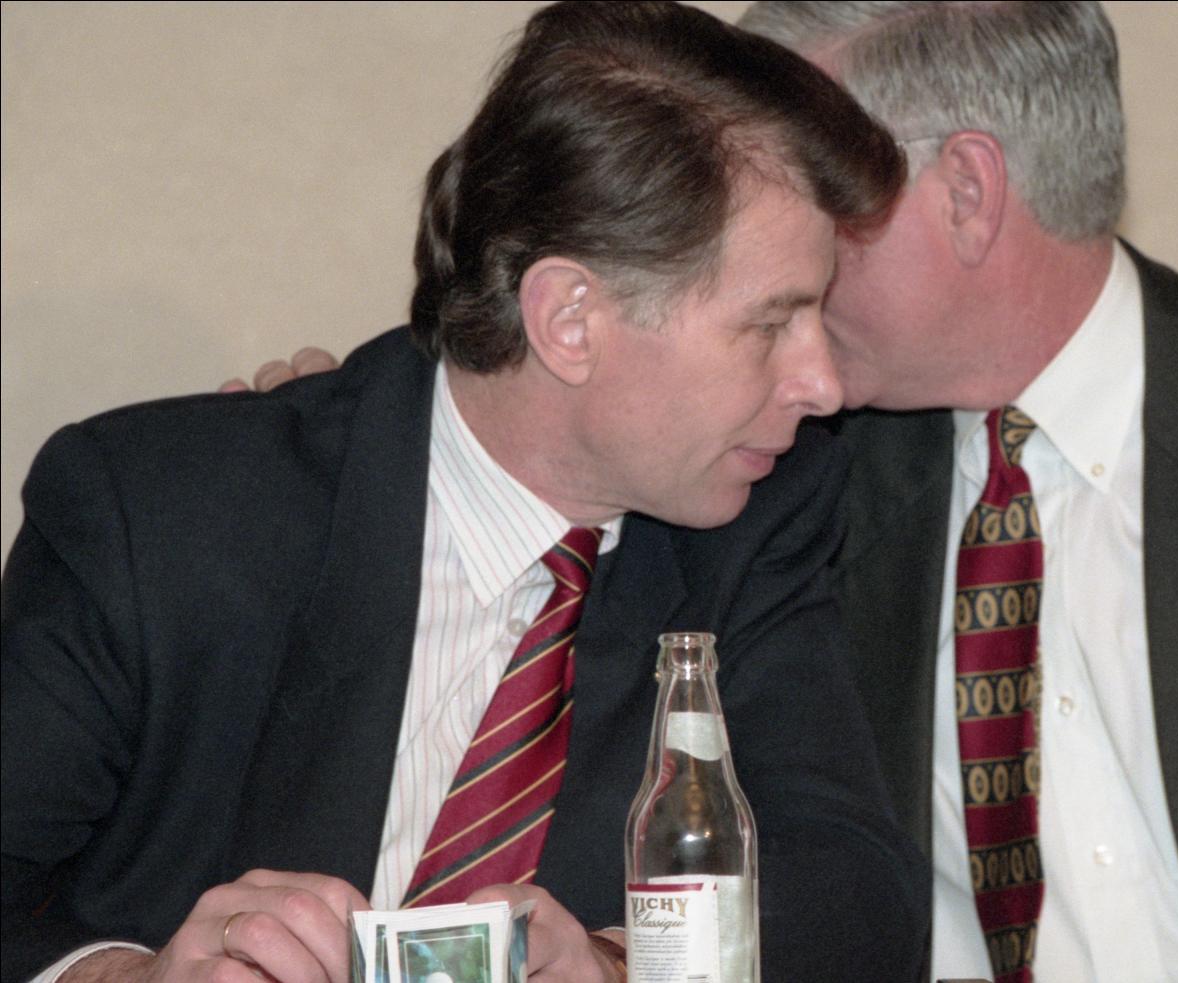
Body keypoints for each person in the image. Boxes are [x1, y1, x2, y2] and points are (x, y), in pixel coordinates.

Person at [219, 3, 1178, 981]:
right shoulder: (777, 463)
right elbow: (550, 398)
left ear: (967, 191)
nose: (759, 239)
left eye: (816, 185)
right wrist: (344, 436)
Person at [0, 3, 929, 983]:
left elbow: (858, 896)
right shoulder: (159, 512)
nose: (825, 384)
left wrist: (619, 963)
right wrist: (125, 976)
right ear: (568, 319)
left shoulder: (761, 516)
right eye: (772, 325)